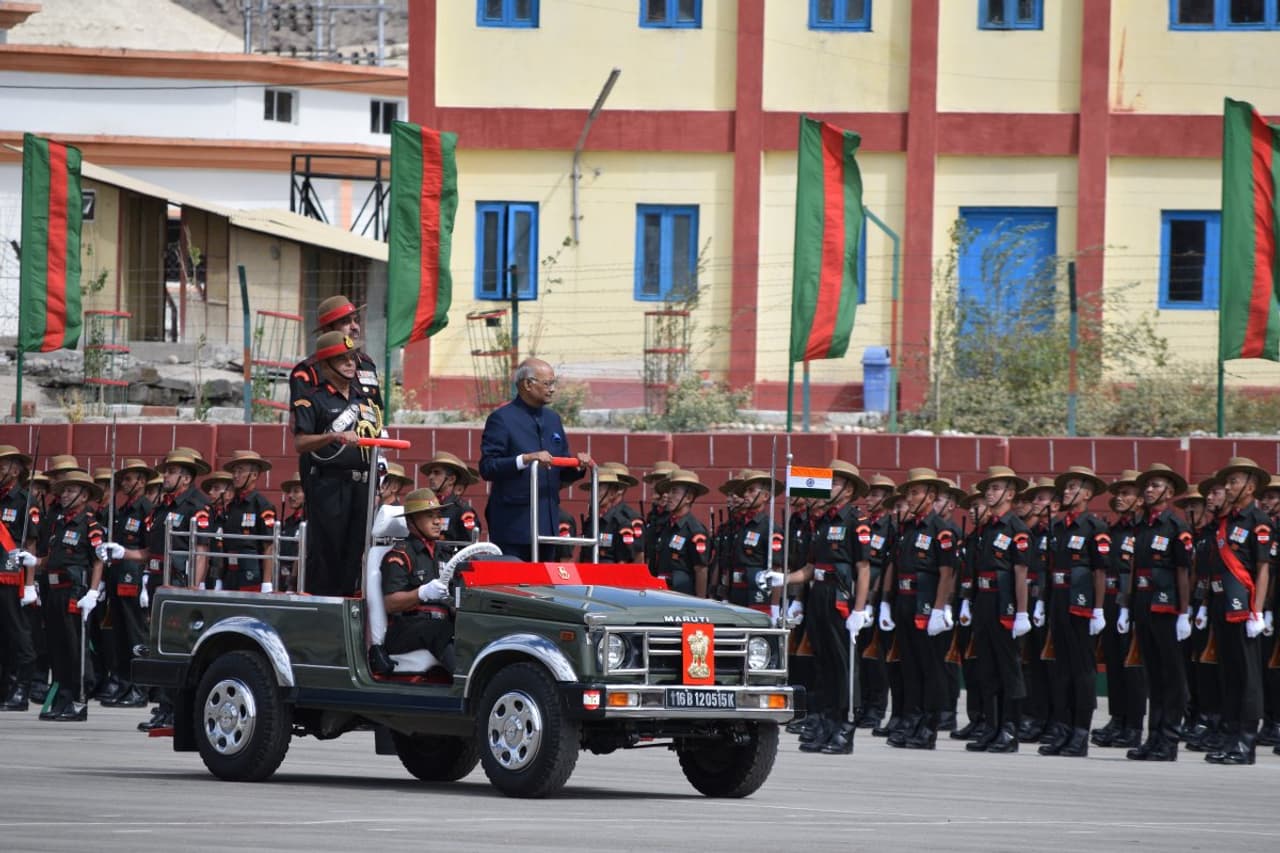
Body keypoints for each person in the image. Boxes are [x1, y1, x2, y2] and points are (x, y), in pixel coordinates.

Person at [777, 460, 871, 755]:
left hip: (839, 597)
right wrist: (784, 579)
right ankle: (828, 722)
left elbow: (864, 568)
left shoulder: (855, 522)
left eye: (833, 483)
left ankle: (845, 726)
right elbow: (809, 567)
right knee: (824, 665)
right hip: (818, 594)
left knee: (843, 665)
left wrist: (859, 609)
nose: (827, 488)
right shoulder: (821, 523)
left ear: (848, 490)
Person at [291, 331, 383, 595]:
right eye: (341, 358)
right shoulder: (312, 398)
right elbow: (300, 443)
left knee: (355, 553)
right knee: (327, 552)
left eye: (352, 357)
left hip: (362, 485)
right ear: (324, 365)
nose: (350, 363)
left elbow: (376, 434)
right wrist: (333, 435)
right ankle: (322, 609)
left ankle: (345, 609)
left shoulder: (364, 399)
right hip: (329, 484)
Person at [13, 470, 106, 721]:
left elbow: (99, 561)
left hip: (75, 591)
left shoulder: (91, 524)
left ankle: (79, 700)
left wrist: (93, 592)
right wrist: (35, 561)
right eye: (63, 490)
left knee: (75, 647)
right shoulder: (58, 522)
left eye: (70, 491)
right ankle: (63, 696)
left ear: (84, 495)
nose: (63, 495)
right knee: (57, 648)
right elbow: (52, 559)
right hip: (54, 590)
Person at [478, 358, 590, 559]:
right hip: (514, 525)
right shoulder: (502, 419)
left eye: (554, 383)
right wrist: (525, 459)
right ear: (528, 384)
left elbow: (560, 471)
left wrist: (578, 466)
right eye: (547, 383)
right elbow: (488, 467)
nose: (553, 389)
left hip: (547, 523)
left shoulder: (553, 419)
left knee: (544, 587)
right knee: (515, 584)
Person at [879, 468, 959, 750]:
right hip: (904, 601)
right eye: (909, 492)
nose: (910, 498)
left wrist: (940, 608)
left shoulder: (941, 529)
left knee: (931, 668)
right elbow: (895, 565)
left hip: (927, 604)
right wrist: (886, 604)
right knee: (910, 667)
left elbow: (947, 572)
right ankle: (911, 718)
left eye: (915, 492)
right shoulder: (907, 528)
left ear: (931, 495)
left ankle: (929, 725)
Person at [1118, 463, 1192, 762]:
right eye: (1147, 486)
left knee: (1171, 676)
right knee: (1153, 675)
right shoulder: (1143, 526)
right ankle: (1154, 736)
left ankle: (1169, 739)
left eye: (1156, 485)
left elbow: (1184, 572)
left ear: (1169, 492)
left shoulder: (1176, 527)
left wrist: (1184, 612)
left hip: (1167, 606)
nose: (1148, 490)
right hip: (1144, 605)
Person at [136, 447, 211, 732]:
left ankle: (177, 709)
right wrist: (122, 554)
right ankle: (164, 706)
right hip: (158, 582)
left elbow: (202, 549)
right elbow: (148, 550)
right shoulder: (162, 506)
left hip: (179, 583)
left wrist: (194, 587)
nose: (164, 475)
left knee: (178, 647)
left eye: (170, 471)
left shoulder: (197, 505)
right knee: (159, 647)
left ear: (185, 477)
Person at [1038, 465, 1110, 758]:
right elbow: (1049, 567)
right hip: (1059, 601)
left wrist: (1098, 609)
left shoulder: (1095, 528)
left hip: (1082, 605)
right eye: (1065, 488)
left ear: (1088, 494)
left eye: (1072, 488)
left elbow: (1100, 573)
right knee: (1061, 670)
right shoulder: (1056, 527)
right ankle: (1064, 729)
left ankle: (1081, 732)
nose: (1066, 492)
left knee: (1082, 671)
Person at [1203, 457, 1271, 765]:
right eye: (1226, 482)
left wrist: (1257, 612)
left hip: (1244, 608)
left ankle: (1246, 742)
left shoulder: (1258, 521)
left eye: (1234, 481)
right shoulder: (1224, 522)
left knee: (1247, 677)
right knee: (1227, 674)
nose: (1228, 487)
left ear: (1250, 486)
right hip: (1221, 603)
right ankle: (1230, 738)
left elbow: (1262, 569)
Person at [963, 466, 1033, 754]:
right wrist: (969, 601)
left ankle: (1009, 729)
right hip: (984, 602)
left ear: (1010, 493)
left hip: (1005, 603)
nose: (989, 493)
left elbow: (1020, 574)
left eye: (996, 488)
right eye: (988, 489)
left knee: (1008, 669)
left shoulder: (1017, 529)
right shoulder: (985, 529)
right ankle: (991, 727)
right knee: (986, 668)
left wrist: (1022, 612)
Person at [94, 457, 155, 709]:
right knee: (119, 633)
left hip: (134, 575)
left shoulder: (146, 510)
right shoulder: (121, 511)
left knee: (134, 634)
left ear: (141, 481)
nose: (124, 483)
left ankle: (139, 688)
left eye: (128, 479)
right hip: (117, 576)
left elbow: (149, 549)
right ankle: (123, 682)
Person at [1092, 470, 1146, 750]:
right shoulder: (1114, 530)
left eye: (1127, 493)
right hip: (1112, 601)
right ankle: (1118, 717)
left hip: (1131, 602)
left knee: (1132, 666)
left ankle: (1134, 725)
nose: (1120, 498)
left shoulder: (1141, 530)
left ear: (1139, 499)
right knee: (1113, 663)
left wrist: (1128, 606)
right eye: (1119, 493)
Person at [379, 488, 456, 672]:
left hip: (439, 624)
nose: (438, 521)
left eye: (438, 514)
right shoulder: (400, 555)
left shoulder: (444, 554)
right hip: (406, 628)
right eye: (429, 516)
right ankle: (467, 685)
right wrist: (422, 592)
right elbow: (390, 603)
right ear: (410, 521)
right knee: (440, 630)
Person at [289, 294, 383, 412]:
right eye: (345, 322)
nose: (354, 327)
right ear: (328, 330)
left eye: (356, 320)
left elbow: (377, 415)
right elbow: (301, 427)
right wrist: (340, 432)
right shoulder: (307, 373)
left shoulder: (366, 365)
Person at [0, 445, 36, 712]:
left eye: (3, 465)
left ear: (15, 469)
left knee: (17, 633)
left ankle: (21, 687)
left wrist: (30, 583)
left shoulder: (24, 500)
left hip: (11, 574)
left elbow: (32, 545)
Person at [651, 470, 710, 596]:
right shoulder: (665, 525)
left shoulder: (695, 530)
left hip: (682, 595)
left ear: (688, 498)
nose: (669, 496)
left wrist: (700, 603)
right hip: (661, 592)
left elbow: (701, 570)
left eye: (675, 491)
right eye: (669, 491)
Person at [420, 452, 482, 553]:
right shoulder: (426, 505)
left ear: (451, 479)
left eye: (436, 473)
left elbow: (470, 548)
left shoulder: (462, 510)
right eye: (431, 473)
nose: (430, 477)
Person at [277, 475, 305, 591]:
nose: (290, 496)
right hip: (282, 578)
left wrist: (292, 582)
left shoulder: (308, 522)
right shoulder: (289, 522)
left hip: (299, 582)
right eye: (289, 492)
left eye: (296, 491)